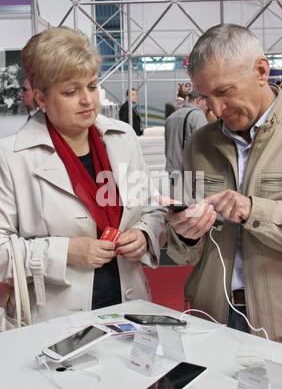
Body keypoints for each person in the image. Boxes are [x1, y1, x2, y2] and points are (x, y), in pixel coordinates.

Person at [0, 27, 165, 324]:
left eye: (91, 86)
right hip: (51, 317)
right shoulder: (11, 156)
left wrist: (143, 234)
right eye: (71, 91)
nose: (87, 99)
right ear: (41, 98)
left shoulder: (123, 137)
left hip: (130, 304)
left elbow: (151, 208)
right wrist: (65, 252)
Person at [166, 23, 282, 346]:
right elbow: (182, 253)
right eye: (205, 97)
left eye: (224, 92)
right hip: (211, 318)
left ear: (261, 71)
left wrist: (253, 210)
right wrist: (184, 232)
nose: (214, 109)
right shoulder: (198, 144)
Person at [164, 90, 208, 174]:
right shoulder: (197, 115)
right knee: (196, 188)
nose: (207, 107)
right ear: (199, 100)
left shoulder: (172, 116)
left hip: (172, 168)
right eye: (206, 103)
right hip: (191, 170)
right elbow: (203, 144)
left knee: (176, 187)